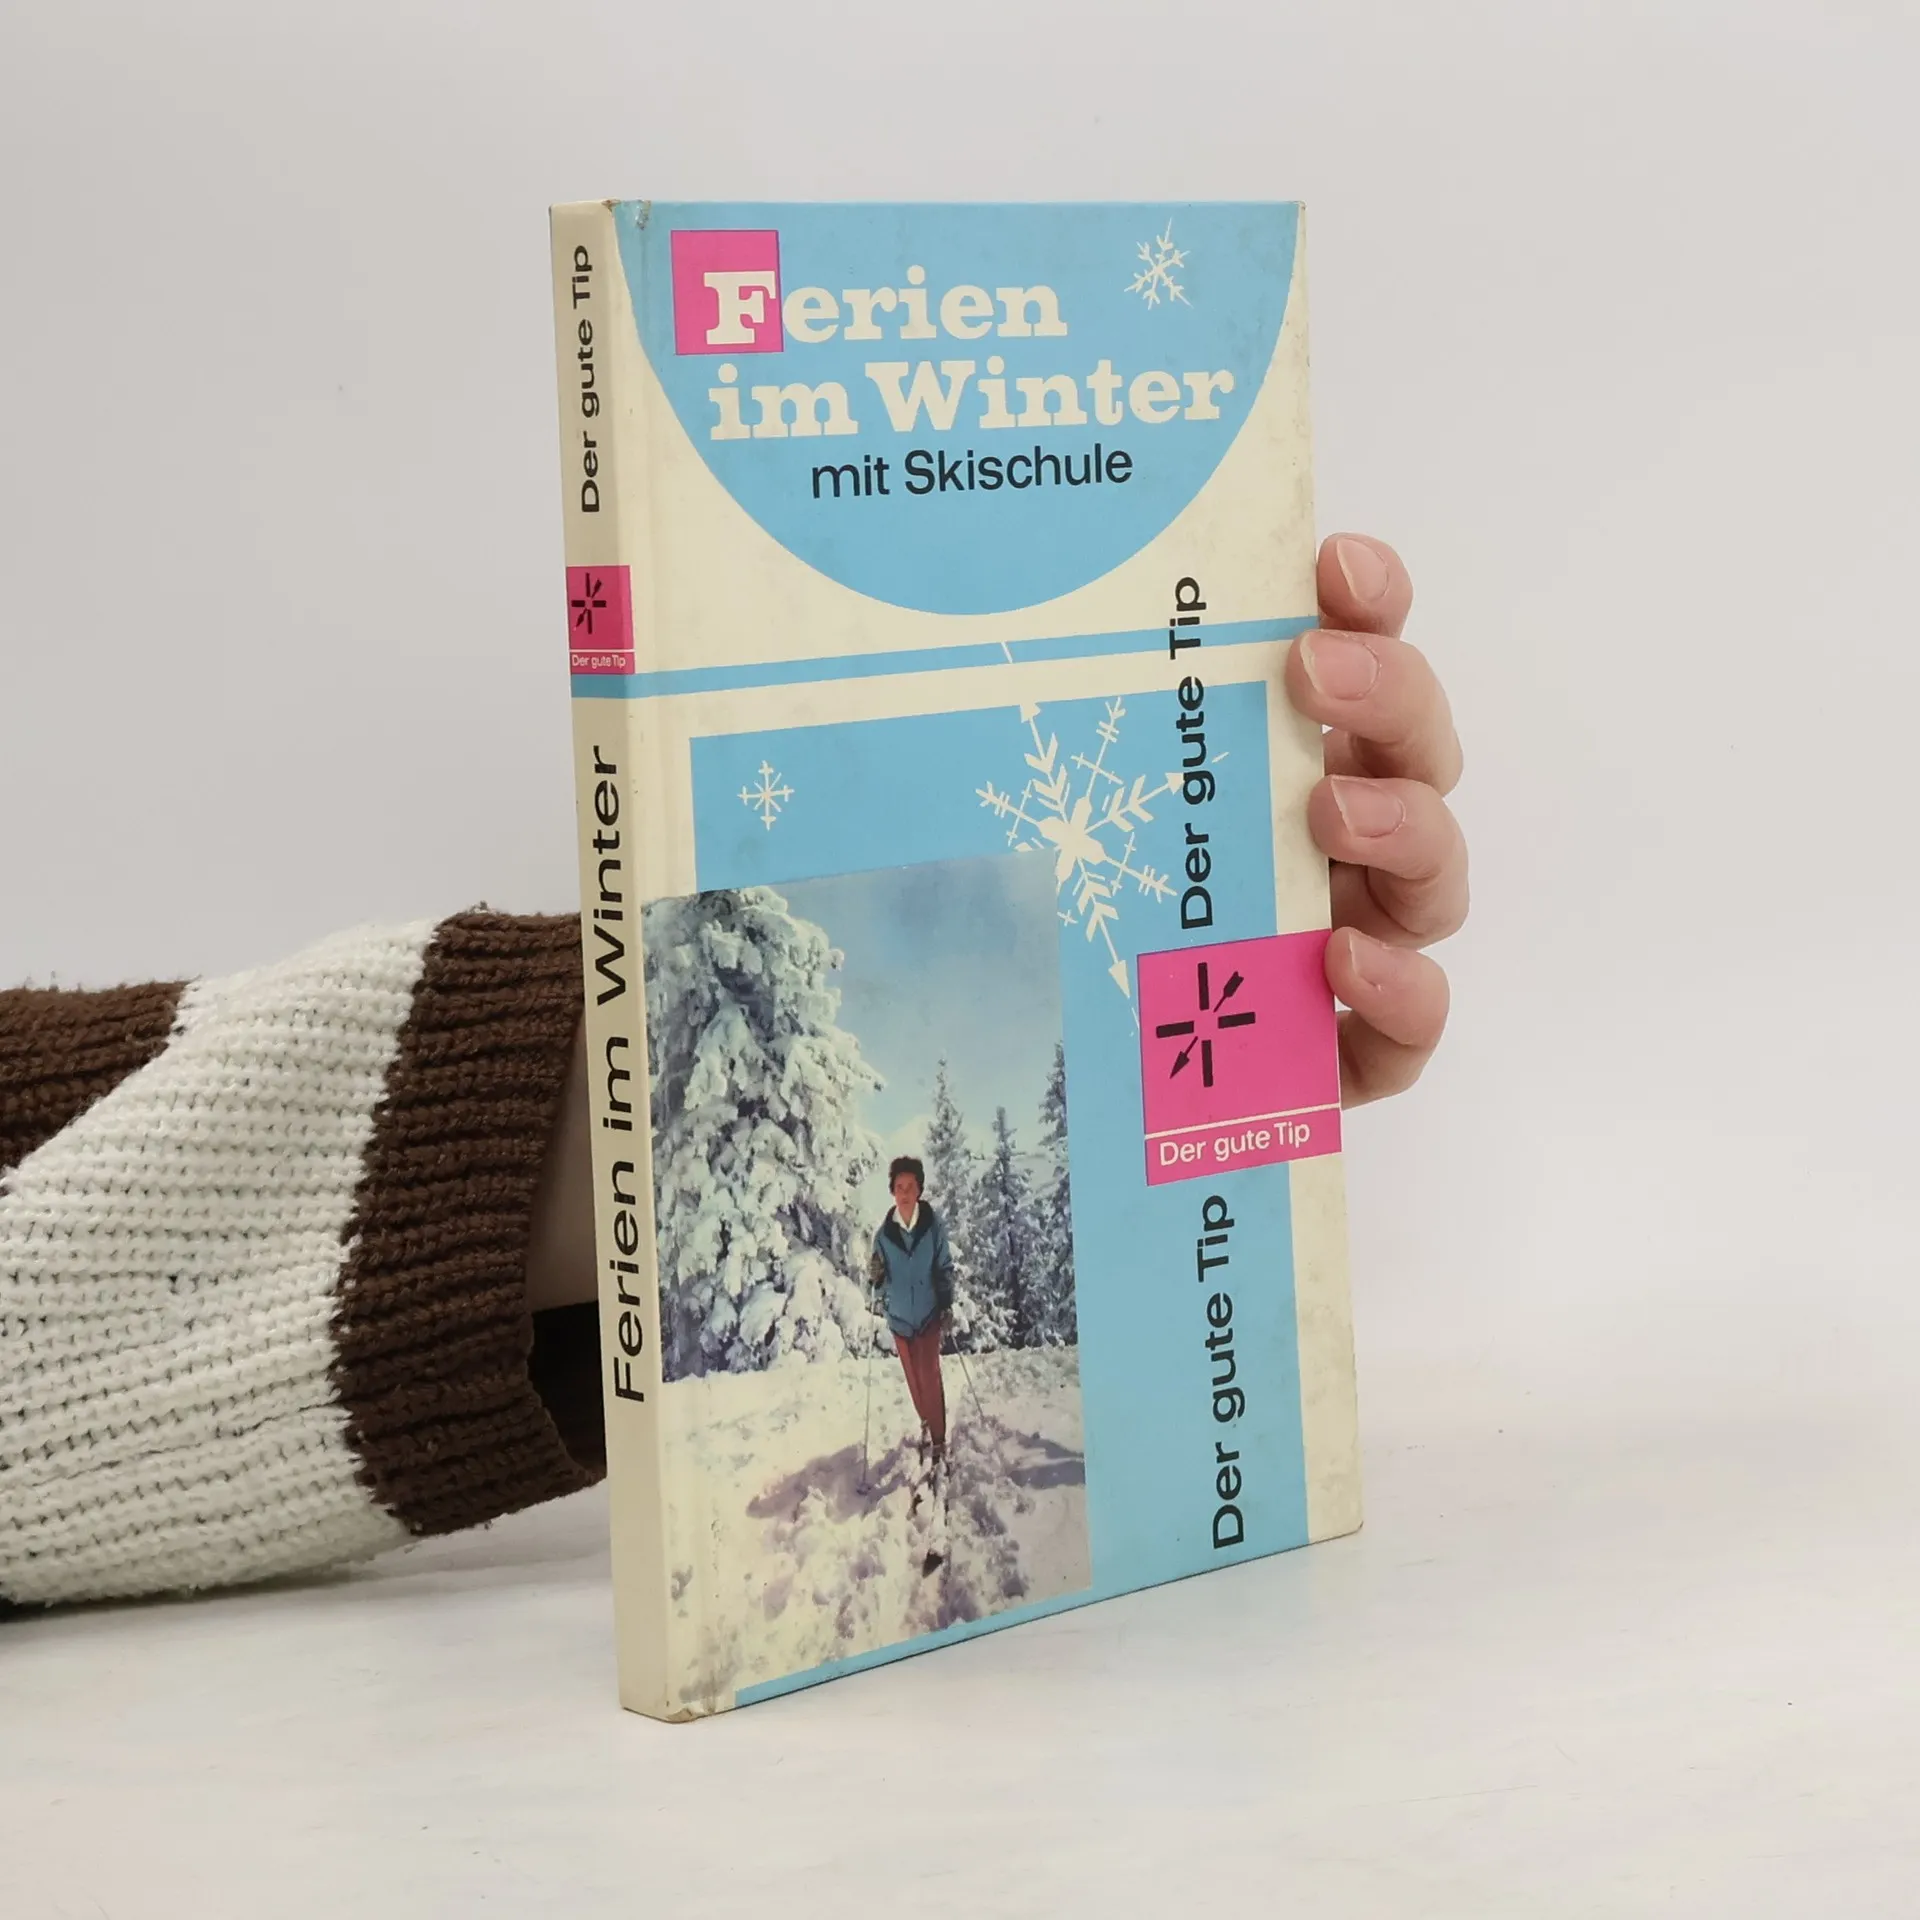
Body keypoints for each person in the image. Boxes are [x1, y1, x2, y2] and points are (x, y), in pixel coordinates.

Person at [0, 532, 1465, 1612]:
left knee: (931, 1394)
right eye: (900, 1180)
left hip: (886, 1306)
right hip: (818, 1290)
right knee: (902, 1392)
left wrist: (1185, 918)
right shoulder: (880, 1222)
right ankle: (916, 1451)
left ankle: (936, 1449)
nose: (904, 1188)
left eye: (908, 1181)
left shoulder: (923, 1229)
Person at [867, 1157, 956, 1464]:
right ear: (892, 1191)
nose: (904, 1193)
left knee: (929, 1375)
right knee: (915, 1381)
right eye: (899, 1187)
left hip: (929, 1314)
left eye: (910, 1186)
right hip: (900, 1318)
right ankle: (926, 1421)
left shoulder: (933, 1227)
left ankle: (939, 1439)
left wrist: (946, 1303)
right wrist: (876, 1279)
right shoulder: (883, 1236)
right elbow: (877, 1281)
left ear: (919, 1190)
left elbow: (944, 1266)